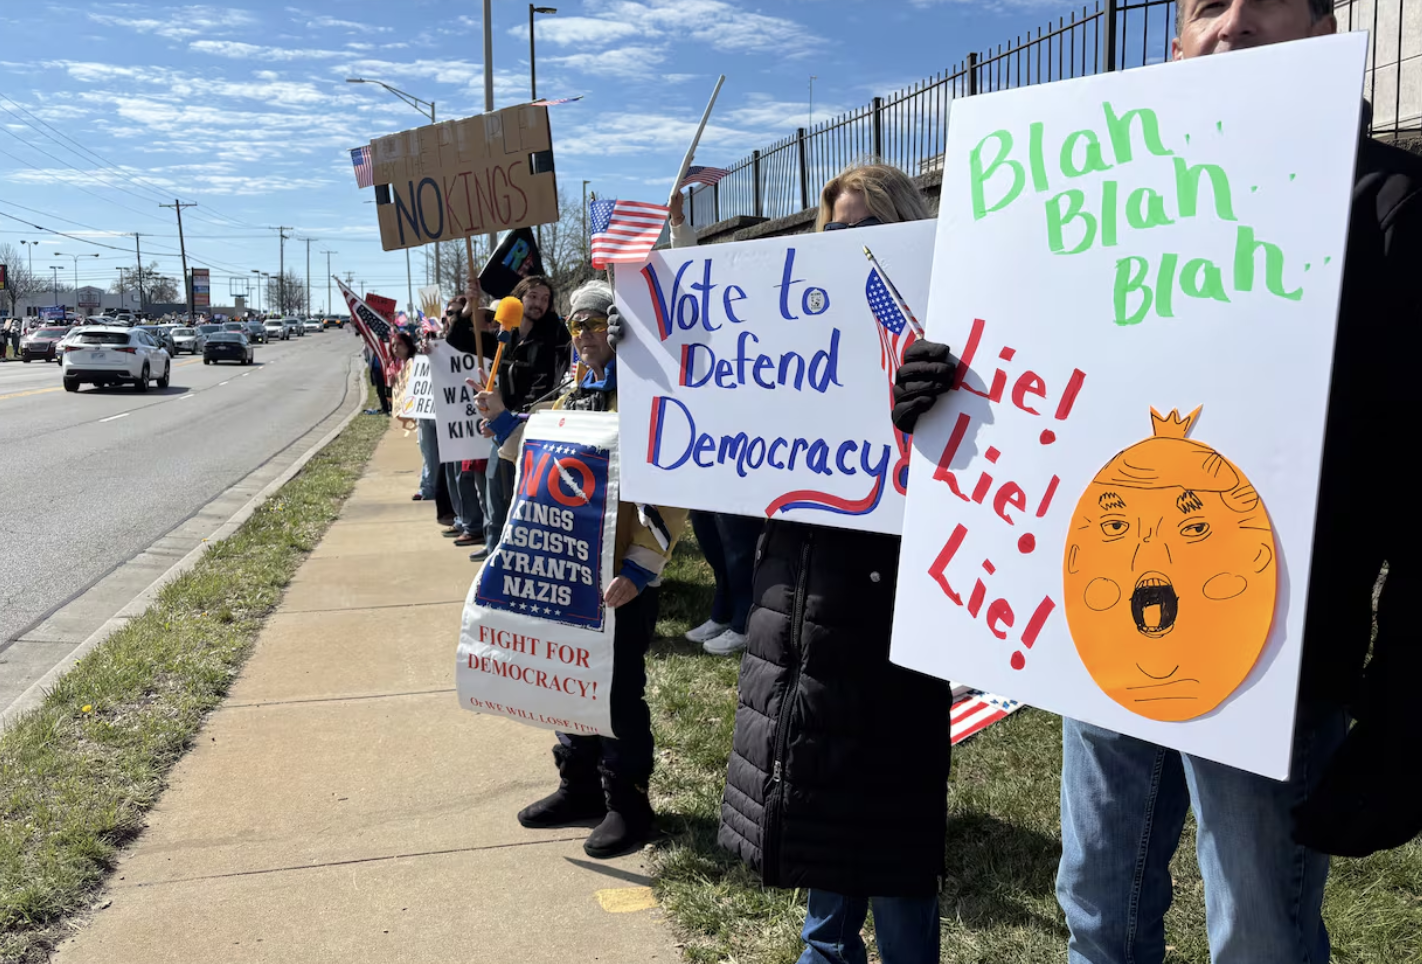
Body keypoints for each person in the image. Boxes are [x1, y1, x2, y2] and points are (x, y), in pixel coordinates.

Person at [896, 3, 1422, 960]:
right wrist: (942, 391)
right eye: (1204, 7)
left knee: (1257, 929)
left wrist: (1403, 706)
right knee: (1094, 904)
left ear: (1324, 26)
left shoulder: (1390, 206)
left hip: (1275, 664)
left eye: (1261, 1)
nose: (1231, 25)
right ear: (1173, 44)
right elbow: (1034, 378)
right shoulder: (1082, 204)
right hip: (1098, 637)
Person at [707, 165, 955, 964]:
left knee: (892, 835)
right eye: (837, 232)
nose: (850, 246)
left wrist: (933, 411)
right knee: (814, 804)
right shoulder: (795, 337)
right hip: (800, 607)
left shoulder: (946, 341)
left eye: (870, 227)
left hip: (885, 618)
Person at [474, 280, 688, 859]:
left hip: (620, 578)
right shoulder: (571, 395)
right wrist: (499, 420)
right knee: (568, 688)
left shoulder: (646, 398)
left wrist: (642, 567)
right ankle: (580, 787)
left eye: (595, 323)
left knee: (617, 694)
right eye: (575, 324)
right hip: (570, 574)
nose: (584, 334)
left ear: (618, 331)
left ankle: (629, 804)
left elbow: (671, 491)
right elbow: (541, 458)